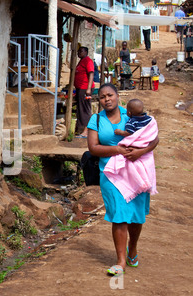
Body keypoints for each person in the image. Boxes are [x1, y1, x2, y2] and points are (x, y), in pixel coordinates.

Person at [87, 84, 159, 276]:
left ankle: (132, 249)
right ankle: (120, 261)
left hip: (136, 170)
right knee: (118, 215)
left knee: (135, 215)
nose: (106, 99)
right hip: (110, 172)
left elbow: (154, 138)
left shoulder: (132, 114)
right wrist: (117, 150)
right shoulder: (96, 120)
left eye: (110, 95)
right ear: (99, 100)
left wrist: (140, 152)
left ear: (118, 96)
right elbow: (93, 148)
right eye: (102, 97)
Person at [74, 46, 95, 138]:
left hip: (85, 88)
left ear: (86, 52)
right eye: (78, 51)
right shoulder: (81, 61)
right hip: (80, 88)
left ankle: (86, 131)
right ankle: (81, 129)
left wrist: (88, 89)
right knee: (80, 109)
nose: (79, 53)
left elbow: (91, 74)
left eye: (81, 51)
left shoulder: (88, 61)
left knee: (85, 109)